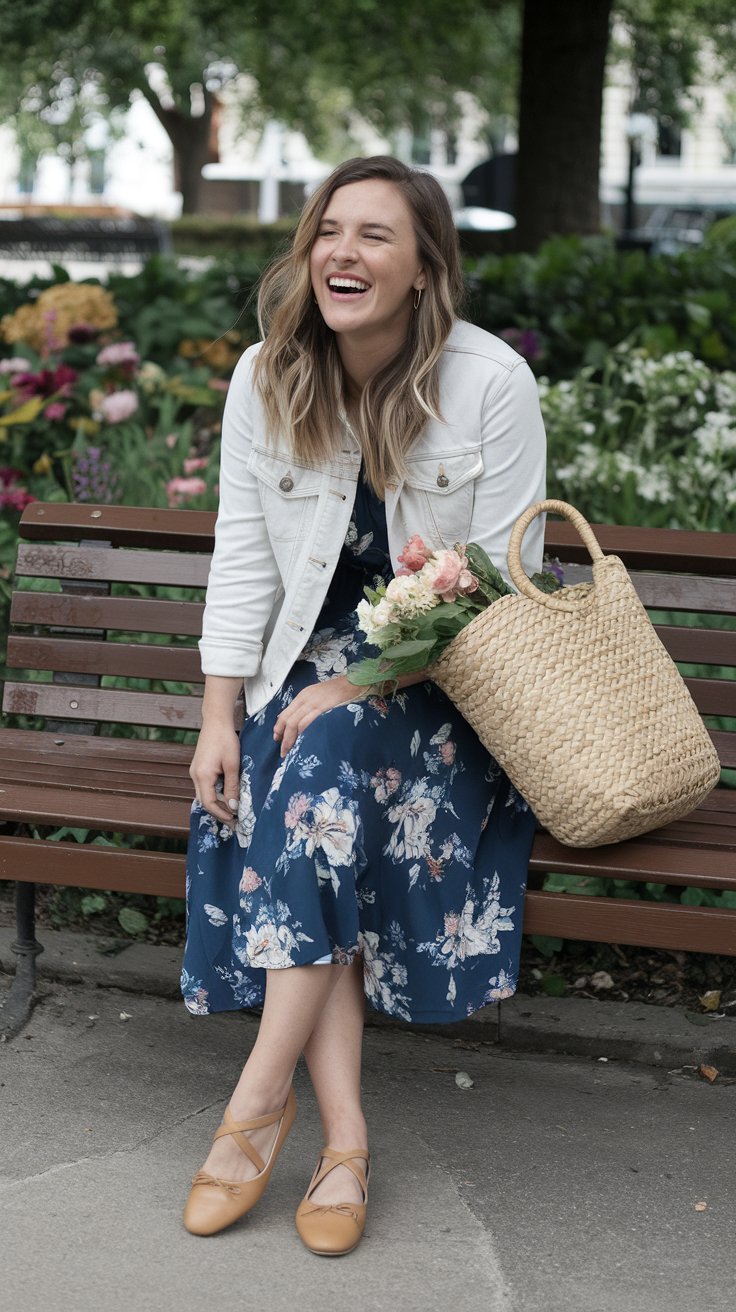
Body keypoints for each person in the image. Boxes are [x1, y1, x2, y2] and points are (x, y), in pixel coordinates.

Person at [181, 155, 546, 1254]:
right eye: (328, 231)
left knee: (321, 750)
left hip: (448, 689)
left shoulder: (488, 385)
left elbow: (498, 583)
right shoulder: (270, 373)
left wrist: (360, 680)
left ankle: (254, 1104)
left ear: (427, 266)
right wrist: (214, 714)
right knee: (311, 775)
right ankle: (341, 1136)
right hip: (302, 682)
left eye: (375, 234)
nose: (343, 252)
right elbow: (242, 557)